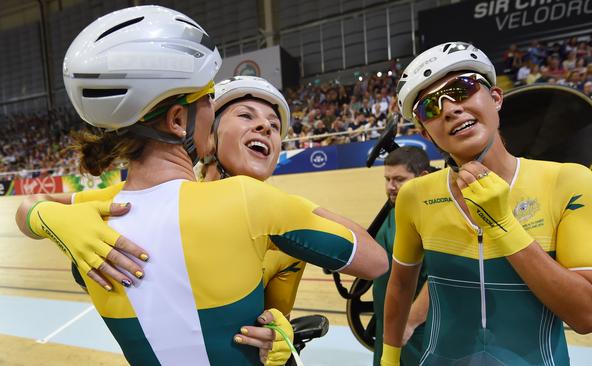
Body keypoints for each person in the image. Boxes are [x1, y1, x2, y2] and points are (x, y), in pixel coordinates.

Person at [15, 6, 388, 366]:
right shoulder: (257, 202)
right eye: (210, 99)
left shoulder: (106, 207)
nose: (264, 129)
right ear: (179, 120)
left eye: (274, 125)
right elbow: (375, 261)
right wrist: (289, 207)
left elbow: (29, 206)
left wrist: (45, 216)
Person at [381, 41, 592, 366]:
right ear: (425, 132)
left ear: (495, 98)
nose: (450, 109)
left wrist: (502, 223)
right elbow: (400, 286)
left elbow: (591, 316)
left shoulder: (569, 182)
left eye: (461, 89)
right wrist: (389, 358)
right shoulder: (414, 195)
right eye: (431, 108)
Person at [372, 146, 435, 366]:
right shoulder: (395, 210)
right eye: (387, 179)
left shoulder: (432, 217)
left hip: (416, 332)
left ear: (423, 178)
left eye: (399, 179)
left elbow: (439, 278)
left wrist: (409, 323)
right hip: (388, 328)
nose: (391, 186)